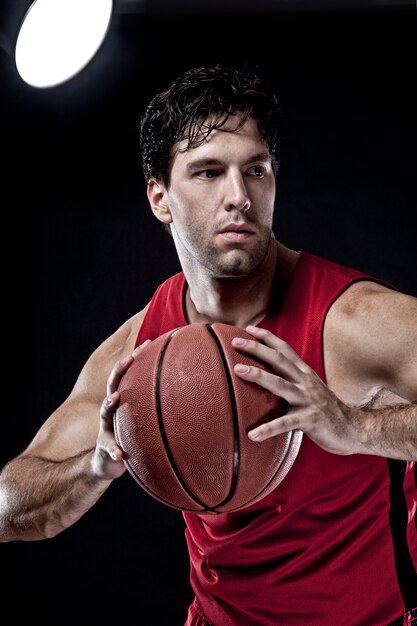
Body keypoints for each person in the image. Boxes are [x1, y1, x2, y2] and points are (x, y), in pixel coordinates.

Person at [0, 62, 416, 625]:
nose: (238, 195)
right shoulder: (144, 349)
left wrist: (354, 427)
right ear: (159, 198)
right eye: (208, 173)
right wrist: (94, 468)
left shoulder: (353, 320)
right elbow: (9, 506)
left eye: (256, 170)